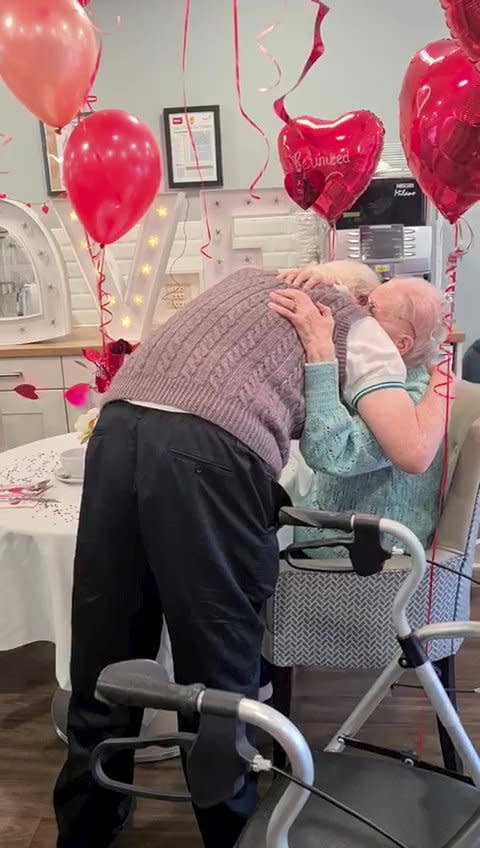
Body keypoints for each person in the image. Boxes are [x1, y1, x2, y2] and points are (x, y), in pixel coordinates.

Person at [54, 265, 448, 848]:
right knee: (217, 659)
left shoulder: (252, 282)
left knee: (105, 643)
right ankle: (234, 832)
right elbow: (410, 450)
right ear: (359, 299)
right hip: (205, 454)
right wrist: (442, 381)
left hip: (116, 430)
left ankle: (85, 829)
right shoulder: (362, 330)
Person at [268, 274, 446, 554]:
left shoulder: (410, 402)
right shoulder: (390, 379)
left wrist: (322, 354)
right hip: (339, 535)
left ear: (402, 344)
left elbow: (329, 452)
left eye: (371, 309)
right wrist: (326, 283)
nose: (358, 314)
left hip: (360, 554)